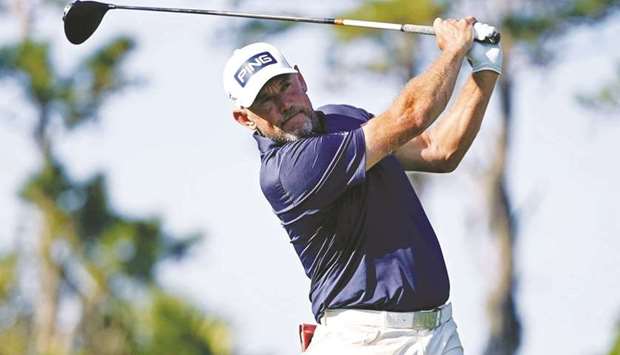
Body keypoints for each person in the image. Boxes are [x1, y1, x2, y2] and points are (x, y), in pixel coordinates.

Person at [222, 16, 502, 355]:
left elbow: (439, 151)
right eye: (264, 101)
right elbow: (411, 116)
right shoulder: (288, 170)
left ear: (301, 78)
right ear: (243, 118)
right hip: (366, 341)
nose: (283, 104)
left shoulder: (344, 118)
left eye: (284, 86)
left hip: (438, 331)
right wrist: (454, 51)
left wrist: (485, 69)